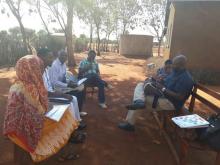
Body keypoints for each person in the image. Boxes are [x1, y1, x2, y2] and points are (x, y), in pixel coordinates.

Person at [3, 48, 79, 163]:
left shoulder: (17, 84)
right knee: (64, 121)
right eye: (39, 67)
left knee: (19, 149)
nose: (42, 70)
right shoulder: (30, 89)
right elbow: (38, 114)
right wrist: (51, 109)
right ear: (32, 70)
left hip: (14, 129)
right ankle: (61, 152)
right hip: (25, 129)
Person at [118, 55, 194, 131]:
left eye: (174, 64)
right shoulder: (175, 72)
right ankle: (139, 101)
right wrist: (160, 80)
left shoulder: (186, 79)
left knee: (144, 99)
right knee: (140, 85)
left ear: (181, 65)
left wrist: (163, 88)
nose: (172, 66)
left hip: (171, 102)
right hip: (163, 95)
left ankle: (130, 123)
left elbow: (179, 97)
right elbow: (167, 81)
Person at [49, 50, 87, 116]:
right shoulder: (54, 65)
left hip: (63, 85)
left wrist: (69, 81)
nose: (64, 57)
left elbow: (64, 77)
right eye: (62, 55)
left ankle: (78, 111)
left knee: (81, 88)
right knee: (77, 92)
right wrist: (67, 85)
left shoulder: (63, 64)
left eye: (65, 56)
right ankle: (75, 114)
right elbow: (54, 82)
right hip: (56, 88)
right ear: (59, 56)